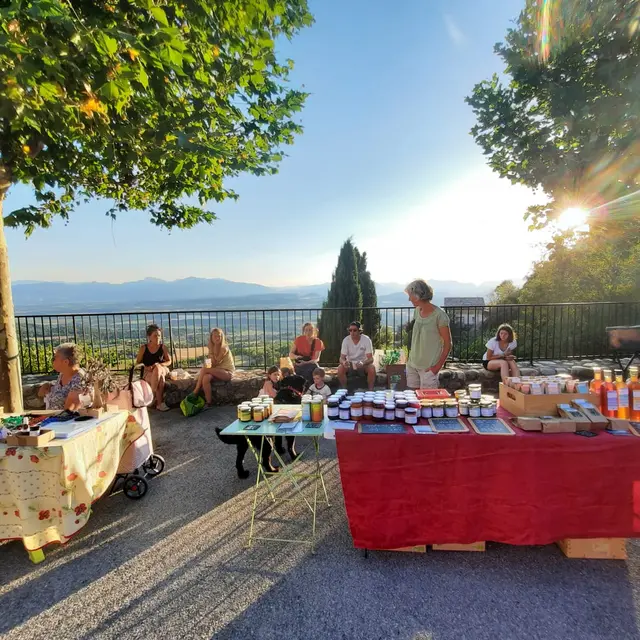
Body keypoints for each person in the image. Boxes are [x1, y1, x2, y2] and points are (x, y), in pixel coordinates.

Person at [405, 279, 452, 389]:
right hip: (412, 365)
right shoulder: (417, 311)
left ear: (417, 296)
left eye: (410, 295)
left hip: (428, 369)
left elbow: (448, 344)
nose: (409, 299)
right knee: (412, 403)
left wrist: (436, 368)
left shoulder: (440, 316)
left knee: (427, 403)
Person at [38, 343, 93, 411]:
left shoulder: (79, 379)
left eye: (54, 358)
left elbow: (70, 411)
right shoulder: (62, 374)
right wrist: (49, 385)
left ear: (65, 362)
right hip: (53, 417)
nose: (52, 361)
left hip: (63, 420)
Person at [193, 328, 235, 407]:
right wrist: (211, 351)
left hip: (227, 372)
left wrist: (212, 349)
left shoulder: (224, 348)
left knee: (205, 370)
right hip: (217, 371)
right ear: (211, 337)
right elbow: (211, 363)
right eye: (215, 336)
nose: (217, 338)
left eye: (219, 336)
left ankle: (196, 390)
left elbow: (216, 362)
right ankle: (209, 403)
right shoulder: (212, 347)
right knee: (206, 377)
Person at [135, 324, 171, 411]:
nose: (158, 337)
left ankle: (152, 395)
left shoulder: (163, 347)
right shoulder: (143, 348)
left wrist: (159, 365)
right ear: (149, 337)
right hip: (149, 371)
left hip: (162, 368)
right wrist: (147, 368)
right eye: (155, 336)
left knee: (158, 369)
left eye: (159, 335)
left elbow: (169, 361)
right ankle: (159, 404)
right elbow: (138, 363)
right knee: (161, 379)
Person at [337, 321, 375, 391]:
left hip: (363, 364)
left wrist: (363, 363)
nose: (352, 332)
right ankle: (344, 390)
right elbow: (341, 358)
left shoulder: (366, 339)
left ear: (360, 331)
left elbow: (371, 359)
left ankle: (371, 391)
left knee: (372, 368)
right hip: (350, 364)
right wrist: (344, 362)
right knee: (340, 368)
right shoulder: (346, 340)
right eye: (350, 330)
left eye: (354, 330)